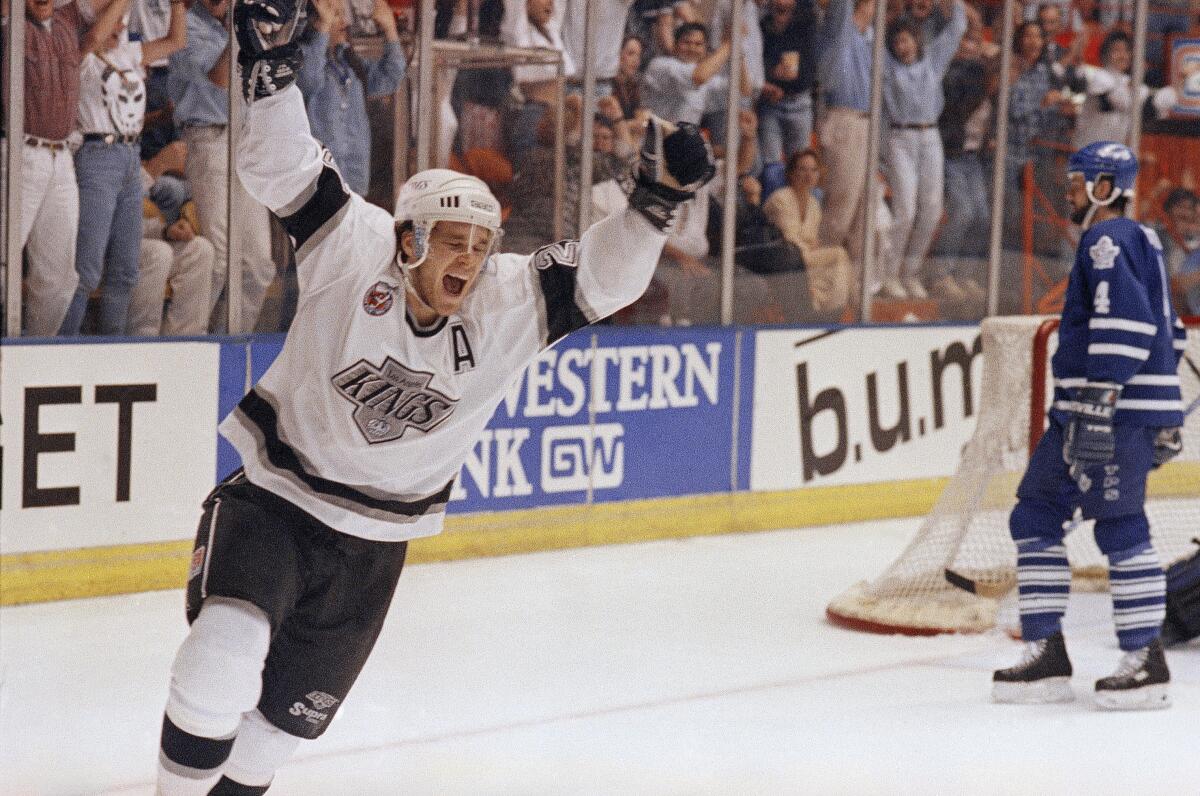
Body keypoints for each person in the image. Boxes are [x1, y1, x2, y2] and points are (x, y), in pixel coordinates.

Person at [153, 0, 715, 789]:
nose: (475, 261)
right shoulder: (354, 245)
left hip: (374, 543)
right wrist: (271, 72)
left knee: (277, 737)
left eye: (485, 246)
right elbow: (281, 169)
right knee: (222, 657)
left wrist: (652, 208)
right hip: (277, 500)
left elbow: (605, 278)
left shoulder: (508, 300)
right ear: (410, 238)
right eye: (458, 242)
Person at [991, 141, 1186, 711]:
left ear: (1106, 186)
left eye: (1078, 182)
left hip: (1106, 409)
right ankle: (1047, 651)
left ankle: (1145, 658)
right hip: (1096, 407)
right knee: (1036, 513)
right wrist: (1157, 407)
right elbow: (1167, 334)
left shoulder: (1109, 238)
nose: (1069, 191)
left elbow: (1126, 323)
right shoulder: (1138, 239)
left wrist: (1104, 402)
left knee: (1119, 524)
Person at [59, 0, 187, 336]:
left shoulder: (128, 54)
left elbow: (176, 42)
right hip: (97, 154)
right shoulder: (82, 52)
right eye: (114, 21)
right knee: (86, 266)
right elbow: (96, 32)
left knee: (126, 267)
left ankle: (111, 345)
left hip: (131, 155)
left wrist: (177, 6)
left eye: (122, 22)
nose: (118, 27)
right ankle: (63, 346)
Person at [169, 0, 277, 332]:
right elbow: (219, 79)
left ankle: (228, 344)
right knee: (219, 258)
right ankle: (189, 343)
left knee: (259, 265)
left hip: (245, 141)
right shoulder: (186, 24)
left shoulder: (242, 24)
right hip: (208, 139)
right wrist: (241, 32)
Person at [878, 0, 966, 300]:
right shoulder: (887, 68)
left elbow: (957, 28)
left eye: (907, 39)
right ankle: (888, 274)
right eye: (897, 41)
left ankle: (910, 272)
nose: (903, 46)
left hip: (931, 136)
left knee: (931, 210)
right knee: (905, 210)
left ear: (917, 40)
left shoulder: (933, 63)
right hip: (901, 136)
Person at [15, 0, 85, 336]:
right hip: (19, 149)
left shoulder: (67, 18)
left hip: (62, 155)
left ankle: (37, 350)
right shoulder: (12, 20)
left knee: (60, 274)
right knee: (5, 258)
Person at [296, 0, 405, 197]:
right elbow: (309, 81)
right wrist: (322, 29)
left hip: (354, 180)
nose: (344, 22)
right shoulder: (303, 59)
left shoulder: (349, 63)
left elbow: (391, 77)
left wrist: (390, 30)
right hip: (317, 185)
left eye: (341, 14)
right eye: (335, 14)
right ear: (313, 20)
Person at [763, 148, 854, 315]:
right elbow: (791, 241)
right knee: (838, 255)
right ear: (791, 173)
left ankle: (828, 309)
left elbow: (812, 243)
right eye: (802, 169)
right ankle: (838, 311)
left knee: (837, 267)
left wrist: (809, 246)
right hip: (782, 261)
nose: (809, 175)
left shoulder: (814, 204)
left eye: (814, 170)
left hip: (803, 261)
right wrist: (809, 246)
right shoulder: (781, 198)